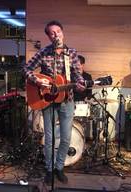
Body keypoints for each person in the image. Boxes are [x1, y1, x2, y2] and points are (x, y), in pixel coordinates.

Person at [22, 20, 85, 185]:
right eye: (52, 32)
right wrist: (37, 81)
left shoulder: (71, 53)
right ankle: (49, 169)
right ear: (49, 36)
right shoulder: (43, 53)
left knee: (65, 138)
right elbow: (26, 69)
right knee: (49, 138)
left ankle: (59, 167)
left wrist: (79, 83)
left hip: (67, 99)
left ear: (63, 32)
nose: (56, 34)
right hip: (47, 99)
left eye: (58, 31)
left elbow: (78, 75)